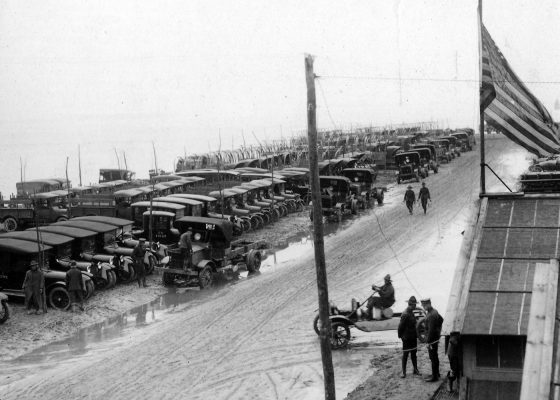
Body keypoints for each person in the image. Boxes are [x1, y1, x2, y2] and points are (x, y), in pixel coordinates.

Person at [421, 298, 444, 382]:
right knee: (435, 357)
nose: (423, 307)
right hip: (435, 338)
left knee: (433, 358)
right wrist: (438, 330)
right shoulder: (434, 311)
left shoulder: (431, 315)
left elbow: (430, 330)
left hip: (432, 340)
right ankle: (436, 373)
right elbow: (441, 320)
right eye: (423, 305)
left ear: (428, 304)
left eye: (424, 305)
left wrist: (427, 342)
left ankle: (434, 377)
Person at [397, 296, 420, 378]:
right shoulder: (405, 314)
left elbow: (414, 324)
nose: (415, 306)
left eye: (415, 305)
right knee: (405, 354)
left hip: (413, 337)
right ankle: (403, 372)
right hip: (406, 338)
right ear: (410, 305)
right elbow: (400, 327)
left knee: (414, 353)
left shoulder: (411, 312)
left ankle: (415, 369)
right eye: (414, 305)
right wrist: (400, 336)